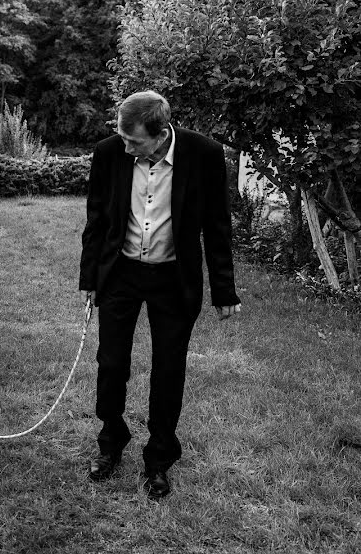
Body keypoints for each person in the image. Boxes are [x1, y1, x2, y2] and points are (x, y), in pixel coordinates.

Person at [78, 90, 241, 499]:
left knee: (169, 369)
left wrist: (224, 289)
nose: (126, 146)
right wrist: (89, 278)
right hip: (120, 275)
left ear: (161, 132)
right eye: (122, 137)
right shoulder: (109, 152)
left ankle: (159, 459)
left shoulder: (204, 154)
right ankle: (111, 441)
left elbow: (218, 225)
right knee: (111, 363)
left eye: (134, 141)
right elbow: (96, 218)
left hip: (174, 278)